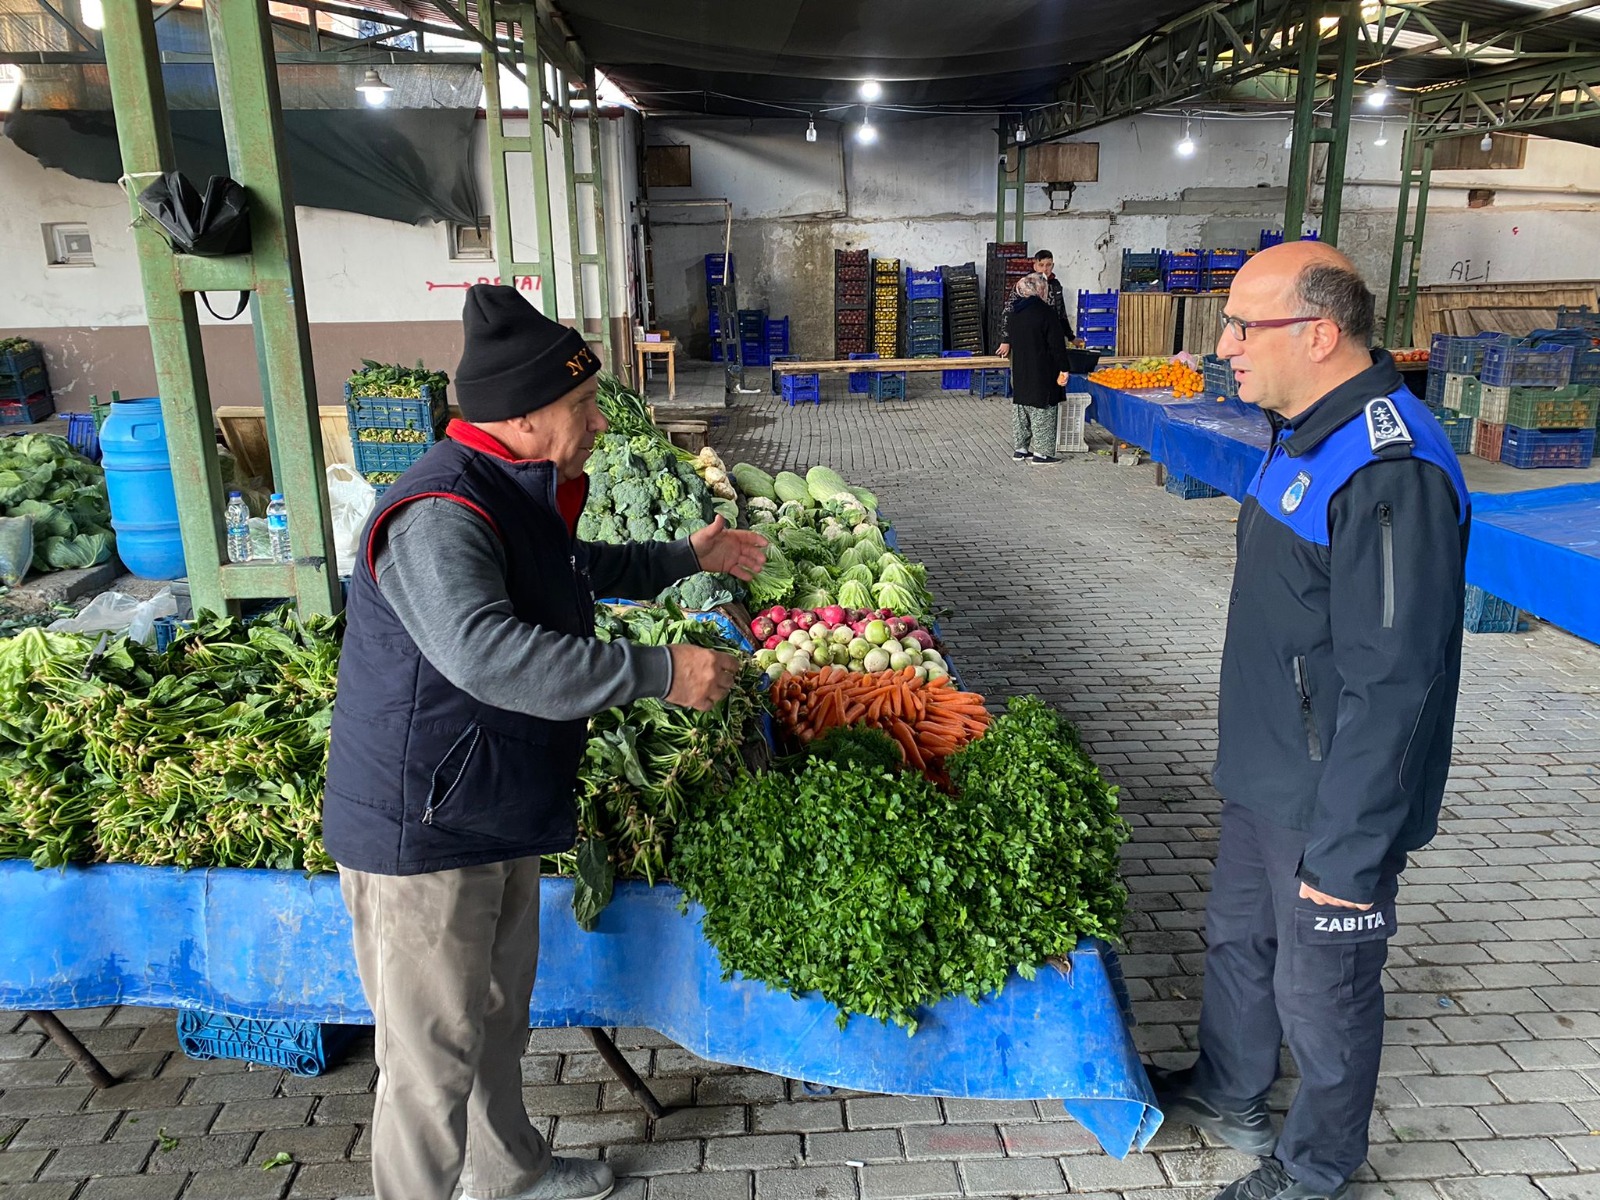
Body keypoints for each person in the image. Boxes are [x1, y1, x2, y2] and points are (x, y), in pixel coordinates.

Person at [322, 284, 768, 1200]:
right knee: (429, 1060)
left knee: (493, 1019)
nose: (599, 420)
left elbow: (571, 571)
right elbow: (488, 653)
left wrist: (685, 557)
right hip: (423, 830)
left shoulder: (513, 490)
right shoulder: (439, 512)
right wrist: (659, 672)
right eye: (582, 405)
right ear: (523, 417)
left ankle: (509, 1174)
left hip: (489, 803)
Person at [1150, 242, 1470, 1200]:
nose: (1226, 346)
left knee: (1322, 983)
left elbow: (1396, 681)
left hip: (1331, 795)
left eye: (1246, 325)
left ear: (1321, 333)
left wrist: (1350, 853)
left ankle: (1318, 1164)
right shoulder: (1303, 430)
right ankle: (1230, 1088)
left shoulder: (1387, 465)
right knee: (1237, 938)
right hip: (1266, 769)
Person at [1006, 272, 1073, 464]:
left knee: (1021, 408)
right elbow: (1056, 344)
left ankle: (1020, 449)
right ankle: (1042, 453)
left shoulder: (1015, 312)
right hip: (1043, 367)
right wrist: (1064, 367)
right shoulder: (1046, 312)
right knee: (1043, 408)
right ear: (1041, 289)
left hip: (1020, 367)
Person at [996, 248, 1072, 357]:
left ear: (1053, 265)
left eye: (1048, 265)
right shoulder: (1024, 285)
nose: (1045, 269)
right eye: (1041, 265)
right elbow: (1008, 311)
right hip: (1027, 337)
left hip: (1049, 338)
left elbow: (1061, 312)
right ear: (1034, 266)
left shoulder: (1055, 286)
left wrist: (1070, 337)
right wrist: (1006, 340)